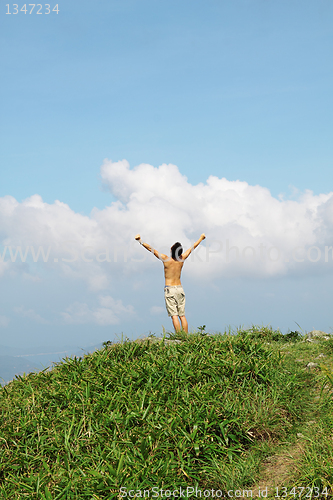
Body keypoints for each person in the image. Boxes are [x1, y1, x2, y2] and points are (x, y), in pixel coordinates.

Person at [134, 233, 206, 333]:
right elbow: (192, 248)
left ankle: (179, 336)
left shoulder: (166, 259)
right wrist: (201, 238)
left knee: (174, 315)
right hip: (180, 288)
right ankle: (185, 336)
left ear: (172, 251)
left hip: (170, 289)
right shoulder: (182, 258)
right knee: (182, 315)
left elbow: (151, 249)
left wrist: (140, 241)